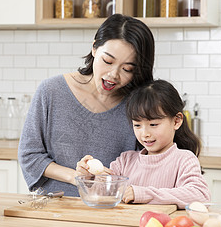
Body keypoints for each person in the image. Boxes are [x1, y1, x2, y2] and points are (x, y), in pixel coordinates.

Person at [18, 14, 155, 196]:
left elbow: (149, 165)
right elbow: (29, 155)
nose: (113, 74)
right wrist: (77, 177)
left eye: (127, 69)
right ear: (94, 48)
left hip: (112, 208)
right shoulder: (51, 91)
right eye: (108, 61)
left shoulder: (137, 105)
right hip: (54, 205)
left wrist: (111, 179)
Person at [76, 79, 210, 209]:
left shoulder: (184, 159)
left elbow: (200, 195)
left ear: (176, 121)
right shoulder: (125, 161)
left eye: (153, 124)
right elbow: (103, 193)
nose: (145, 133)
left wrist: (143, 193)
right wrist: (89, 179)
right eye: (137, 125)